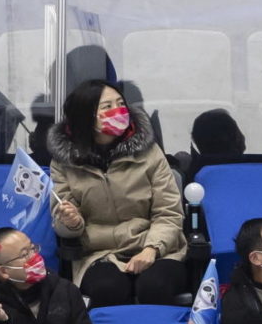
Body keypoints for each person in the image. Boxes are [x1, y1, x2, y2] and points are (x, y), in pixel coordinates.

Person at [45, 79, 197, 306]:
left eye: (120, 103)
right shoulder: (64, 162)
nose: (118, 111)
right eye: (107, 107)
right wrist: (71, 222)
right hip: (100, 253)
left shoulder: (149, 152)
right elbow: (63, 225)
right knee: (107, 289)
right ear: (85, 116)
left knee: (155, 286)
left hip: (158, 248)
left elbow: (168, 212)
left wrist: (151, 249)